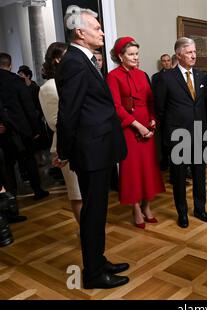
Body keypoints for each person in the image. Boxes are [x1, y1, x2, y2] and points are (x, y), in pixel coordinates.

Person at [56, 7, 129, 289]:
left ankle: (98, 261)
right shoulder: (74, 62)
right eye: (96, 28)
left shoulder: (83, 59)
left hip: (99, 147)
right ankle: (94, 274)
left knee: (97, 211)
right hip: (90, 151)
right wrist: (63, 151)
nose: (101, 31)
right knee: (93, 213)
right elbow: (69, 112)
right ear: (80, 32)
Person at [106, 37, 165, 229]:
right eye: (130, 54)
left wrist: (153, 120)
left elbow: (150, 101)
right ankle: (136, 208)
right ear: (120, 56)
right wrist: (138, 126)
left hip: (148, 127)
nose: (135, 57)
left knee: (148, 169)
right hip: (129, 130)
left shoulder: (142, 74)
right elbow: (115, 106)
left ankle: (147, 206)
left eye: (137, 54)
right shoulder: (113, 76)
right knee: (133, 170)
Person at [155, 37, 207, 229]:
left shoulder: (201, 76)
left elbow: (203, 106)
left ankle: (200, 208)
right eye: (189, 52)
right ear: (178, 54)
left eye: (195, 52)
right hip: (178, 136)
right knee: (179, 178)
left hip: (199, 134)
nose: (194, 55)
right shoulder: (166, 78)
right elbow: (160, 109)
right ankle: (182, 212)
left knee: (199, 175)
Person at [39, 42, 82, 224]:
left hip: (86, 142)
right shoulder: (48, 87)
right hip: (67, 145)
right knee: (77, 193)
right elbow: (55, 122)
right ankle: (84, 230)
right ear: (57, 59)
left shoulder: (73, 80)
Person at [0, 52, 49, 200]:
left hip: (3, 129)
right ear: (10, 64)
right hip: (22, 129)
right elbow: (28, 107)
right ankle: (37, 191)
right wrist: (36, 129)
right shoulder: (17, 81)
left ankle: (11, 198)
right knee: (29, 160)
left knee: (7, 166)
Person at [152, 54, 174, 171]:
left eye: (168, 60)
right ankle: (165, 164)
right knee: (164, 142)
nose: (166, 63)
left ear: (171, 61)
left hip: (174, 114)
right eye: (164, 61)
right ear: (161, 63)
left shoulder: (176, 75)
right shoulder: (156, 77)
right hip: (162, 115)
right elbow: (156, 96)